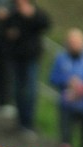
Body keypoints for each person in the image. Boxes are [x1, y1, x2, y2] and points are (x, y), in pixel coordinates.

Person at [3, 0, 50, 137]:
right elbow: (7, 30)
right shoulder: (13, 14)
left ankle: (28, 122)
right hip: (16, 57)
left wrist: (31, 15)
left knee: (30, 90)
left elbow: (45, 24)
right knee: (17, 90)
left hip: (31, 57)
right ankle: (21, 121)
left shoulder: (36, 12)